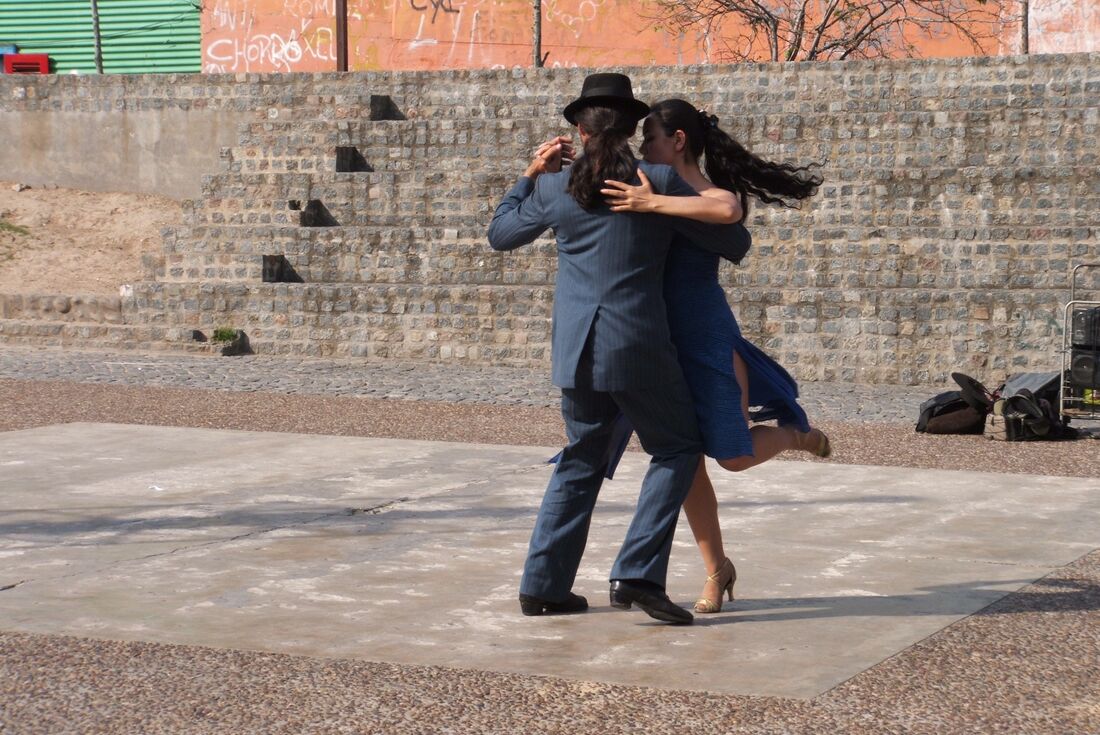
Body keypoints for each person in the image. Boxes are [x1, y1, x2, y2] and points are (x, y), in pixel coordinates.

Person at [487, 75, 751, 625]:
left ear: (578, 132)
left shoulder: (554, 189)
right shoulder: (654, 180)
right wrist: (658, 207)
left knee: (580, 460)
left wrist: (530, 174)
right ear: (632, 130)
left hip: (575, 352)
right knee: (678, 448)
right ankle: (636, 575)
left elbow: (501, 234)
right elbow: (735, 238)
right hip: (637, 346)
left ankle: (542, 587)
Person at [600, 98, 829, 614]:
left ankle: (795, 434)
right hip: (658, 340)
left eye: (651, 136)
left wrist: (651, 205)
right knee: (685, 460)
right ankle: (716, 570)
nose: (643, 147)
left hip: (705, 335)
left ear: (678, 140)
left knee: (733, 455)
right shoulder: (648, 179)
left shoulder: (695, 193)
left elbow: (728, 210)